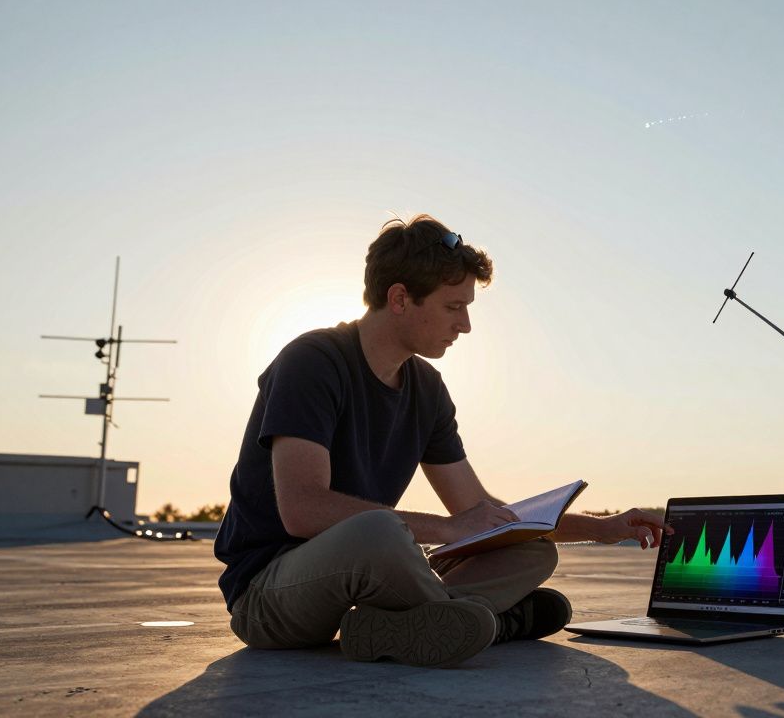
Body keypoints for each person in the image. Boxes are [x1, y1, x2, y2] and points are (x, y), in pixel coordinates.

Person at [213, 214, 670, 667]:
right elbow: (303, 509)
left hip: (369, 584)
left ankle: (415, 624)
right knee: (380, 530)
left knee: (529, 548)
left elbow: (480, 513)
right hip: (270, 595)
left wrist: (601, 529)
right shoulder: (312, 362)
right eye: (454, 307)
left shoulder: (426, 389)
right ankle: (495, 622)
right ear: (399, 298)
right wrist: (448, 530)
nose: (466, 324)